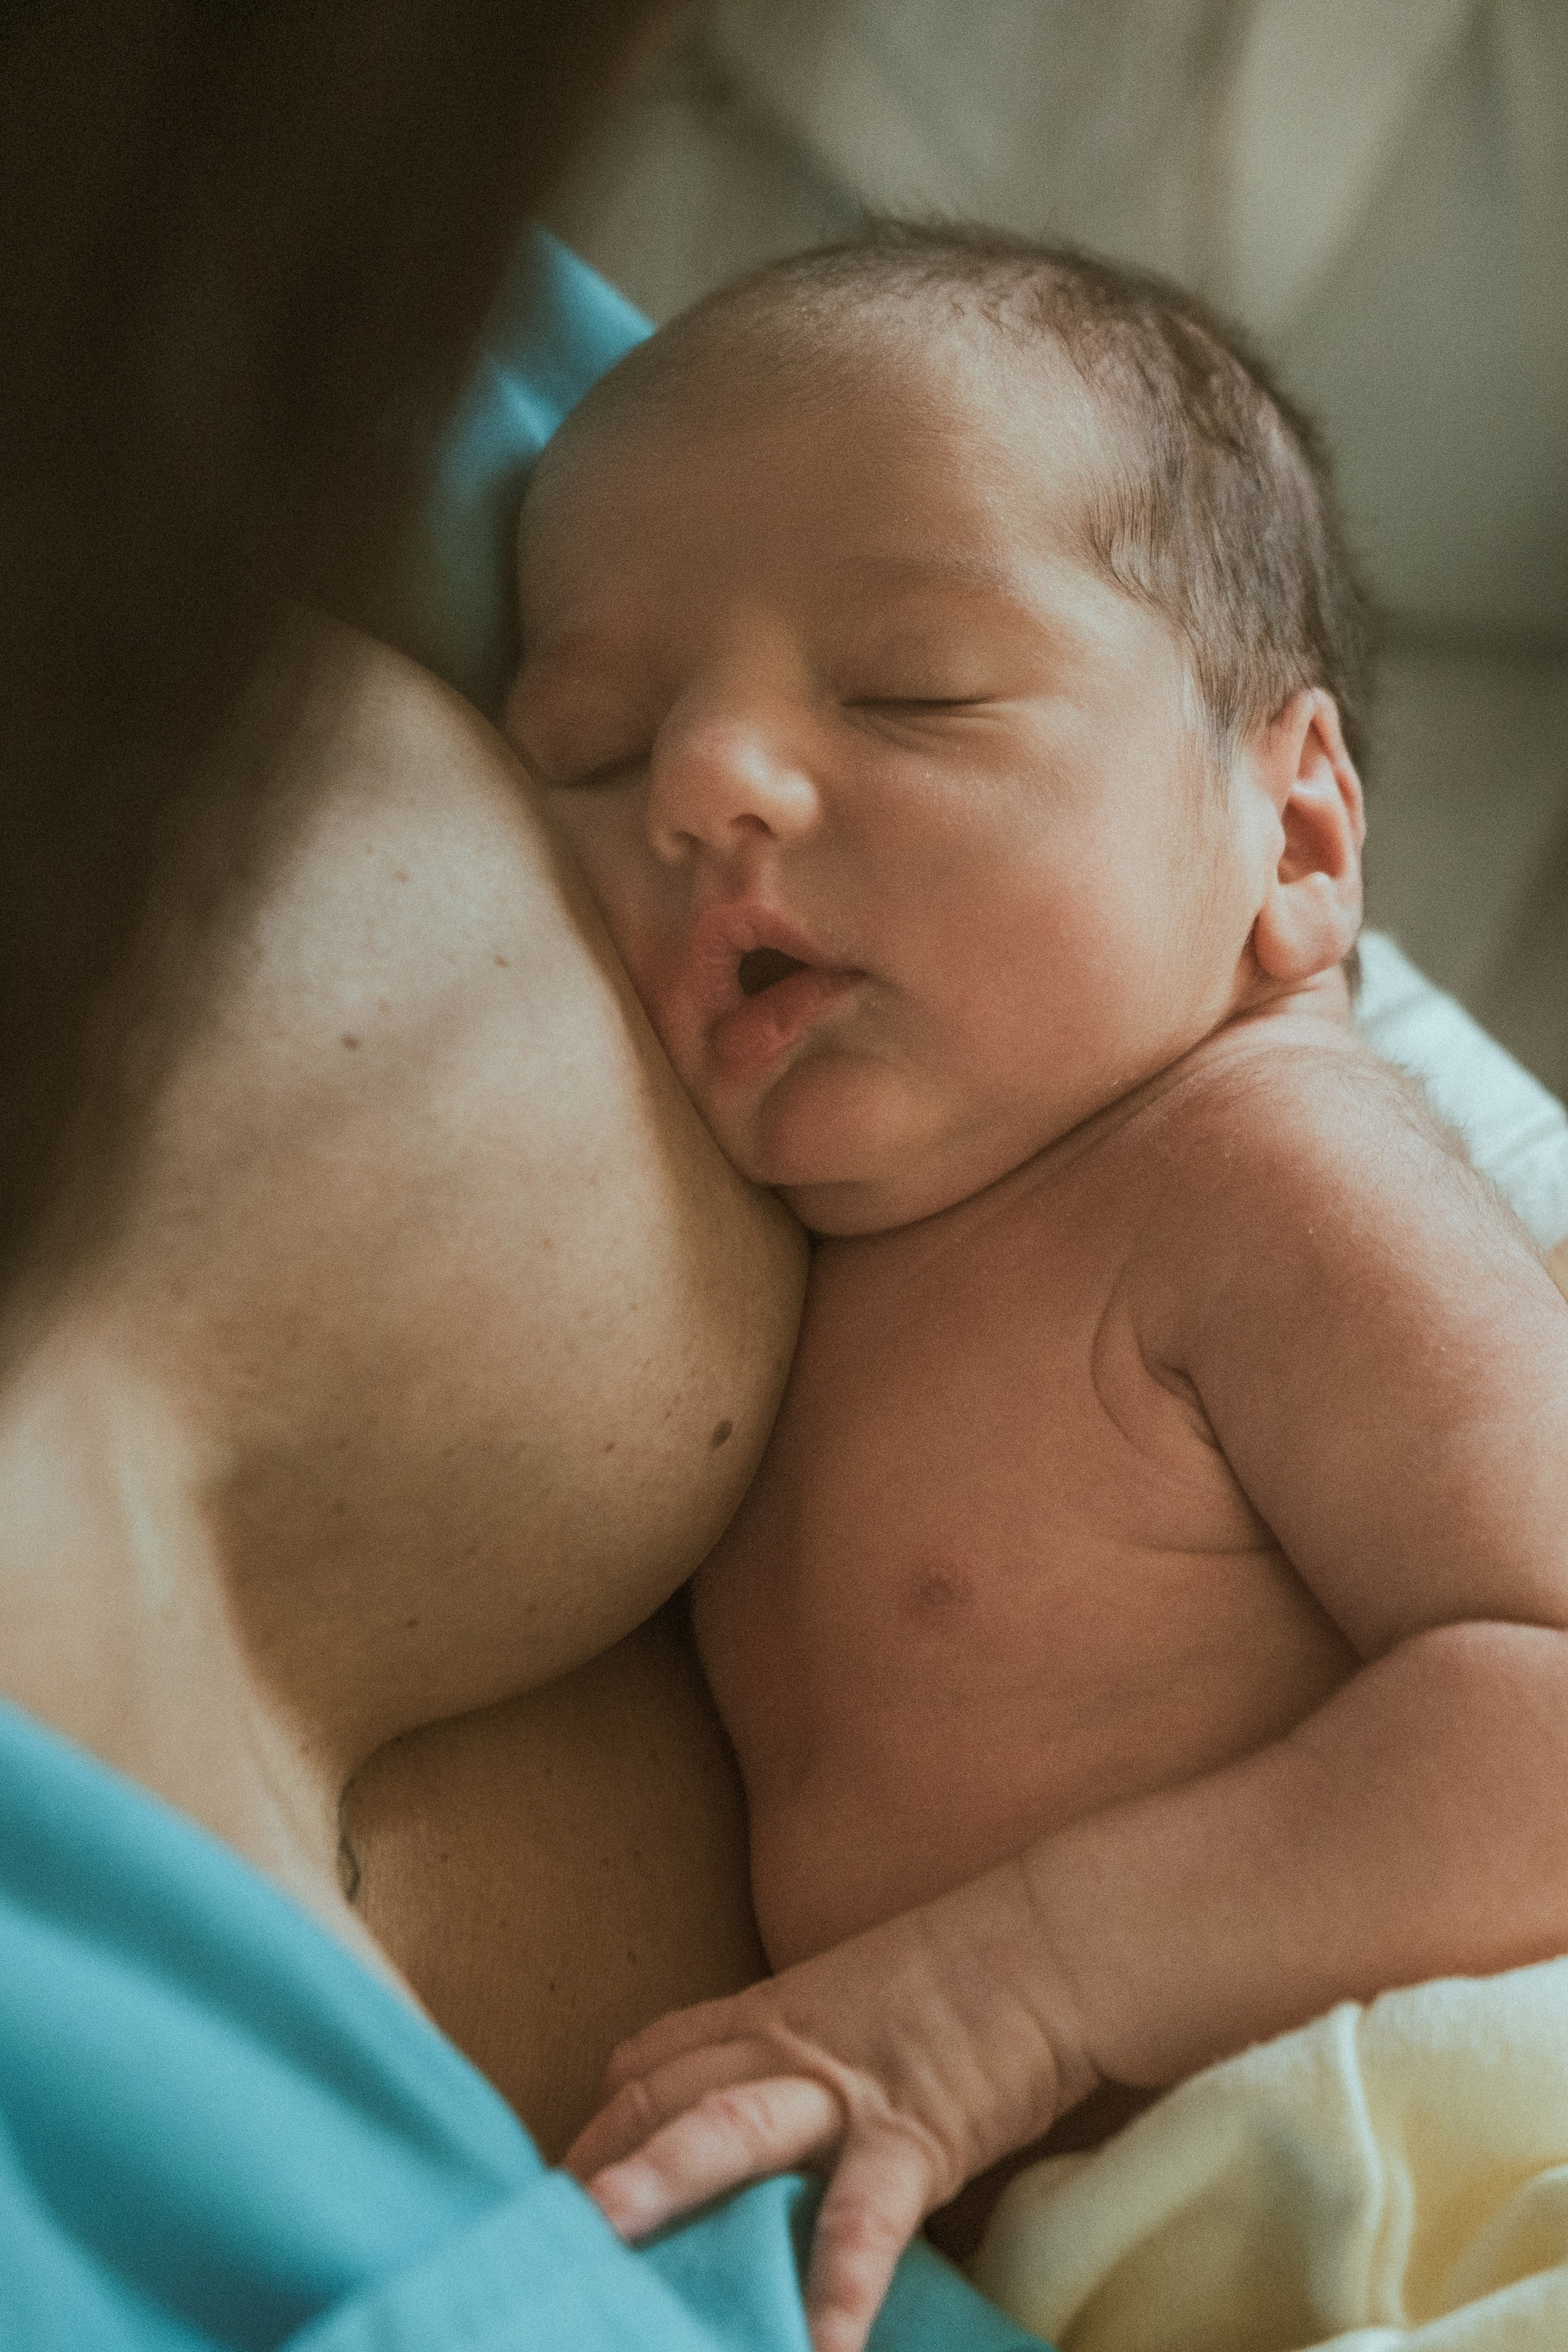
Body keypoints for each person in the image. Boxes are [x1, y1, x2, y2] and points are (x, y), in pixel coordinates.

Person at [498, 225, 1568, 2352]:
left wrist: (1008, 1994)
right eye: (597, 750)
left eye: (909, 689)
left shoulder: (1257, 1168)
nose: (710, 787)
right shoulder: (790, 1282)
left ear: (1296, 841)